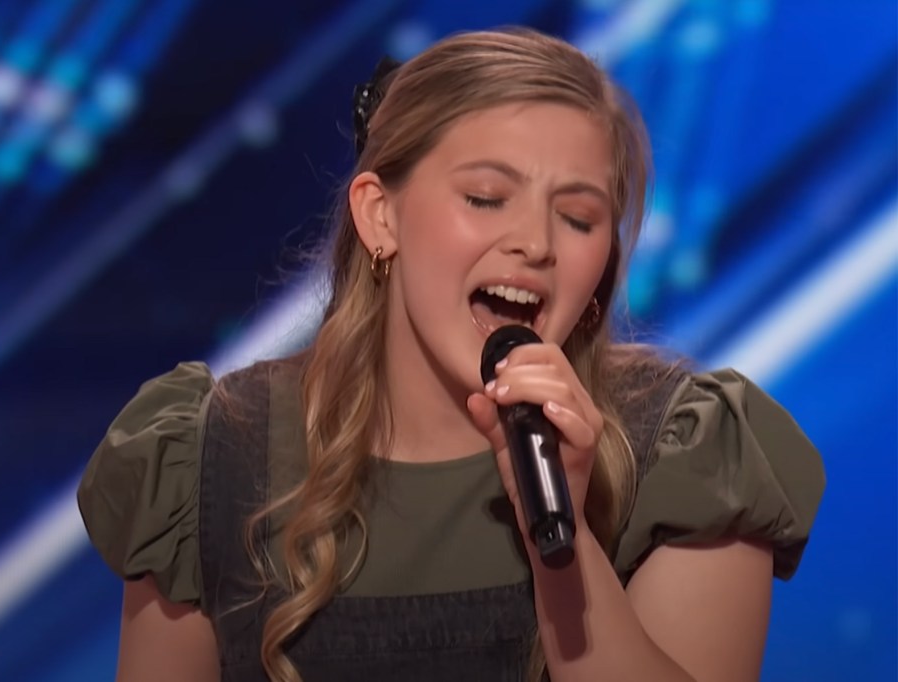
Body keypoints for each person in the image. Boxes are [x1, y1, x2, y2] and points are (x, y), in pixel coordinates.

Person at [77, 27, 825, 682]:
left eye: (577, 216)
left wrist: (564, 540)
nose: (534, 243)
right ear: (380, 216)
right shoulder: (212, 459)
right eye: (486, 198)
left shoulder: (689, 455)